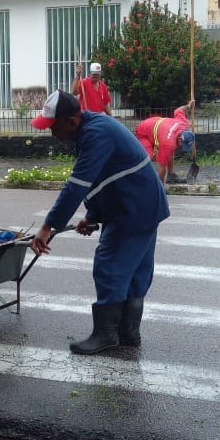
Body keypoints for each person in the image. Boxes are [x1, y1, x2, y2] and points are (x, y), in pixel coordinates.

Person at [30, 91, 169, 354]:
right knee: (135, 270)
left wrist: (47, 228)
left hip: (133, 210)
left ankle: (106, 335)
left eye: (53, 126)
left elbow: (76, 186)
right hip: (142, 205)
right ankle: (128, 332)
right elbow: (104, 179)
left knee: (110, 267)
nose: (51, 132)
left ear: (71, 121)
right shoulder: (93, 128)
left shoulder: (96, 134)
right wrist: (93, 216)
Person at [134, 101, 195, 183]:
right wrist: (161, 187)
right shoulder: (168, 144)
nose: (182, 146)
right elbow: (162, 168)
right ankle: (137, 179)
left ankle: (171, 176)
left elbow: (178, 110)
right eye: (183, 144)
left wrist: (188, 106)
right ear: (180, 138)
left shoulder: (184, 123)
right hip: (144, 131)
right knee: (148, 157)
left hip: (156, 124)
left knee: (171, 149)